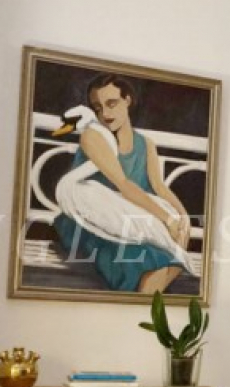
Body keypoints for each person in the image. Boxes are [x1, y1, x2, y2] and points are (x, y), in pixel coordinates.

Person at [52, 74, 193, 293]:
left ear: (127, 100)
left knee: (168, 257)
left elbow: (159, 186)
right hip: (91, 223)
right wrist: (168, 220)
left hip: (132, 222)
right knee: (148, 262)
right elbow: (123, 184)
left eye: (112, 104)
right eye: (98, 108)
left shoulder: (145, 144)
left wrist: (183, 217)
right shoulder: (93, 136)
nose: (105, 114)